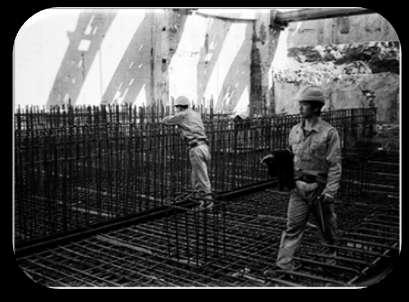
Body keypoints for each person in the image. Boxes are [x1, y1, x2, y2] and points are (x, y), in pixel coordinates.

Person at [273, 86, 342, 271]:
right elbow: (291, 155)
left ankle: (330, 262)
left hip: (319, 189)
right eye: (300, 104)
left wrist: (330, 191)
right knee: (292, 227)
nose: (300, 108)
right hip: (298, 188)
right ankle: (284, 265)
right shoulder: (295, 130)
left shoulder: (329, 133)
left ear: (316, 108)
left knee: (327, 228)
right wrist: (276, 160)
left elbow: (335, 165)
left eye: (304, 105)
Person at [161, 96, 213, 209]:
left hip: (196, 149)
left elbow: (166, 121)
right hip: (204, 147)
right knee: (196, 177)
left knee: (202, 178)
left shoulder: (182, 115)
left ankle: (208, 203)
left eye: (176, 108)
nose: (176, 110)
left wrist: (170, 117)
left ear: (179, 107)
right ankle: (202, 201)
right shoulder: (195, 114)